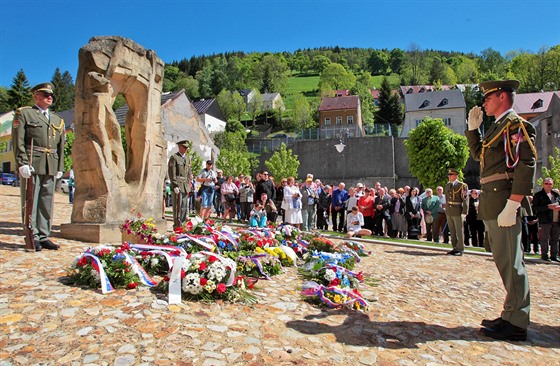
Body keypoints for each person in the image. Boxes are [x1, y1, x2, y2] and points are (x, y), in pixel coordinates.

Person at [465, 79, 537, 341]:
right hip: (493, 200)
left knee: (512, 263)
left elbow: (526, 166)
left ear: (503, 97)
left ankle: (517, 322)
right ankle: (510, 313)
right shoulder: (497, 127)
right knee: (504, 262)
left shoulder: (516, 126)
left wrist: (514, 203)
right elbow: (479, 156)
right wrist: (473, 131)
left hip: (505, 200)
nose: (484, 102)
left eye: (488, 97)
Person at [12, 82, 65, 251]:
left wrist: (60, 166)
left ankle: (43, 235)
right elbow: (18, 140)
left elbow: (61, 145)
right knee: (31, 201)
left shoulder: (58, 119)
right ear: (36, 96)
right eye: (45, 94)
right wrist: (22, 162)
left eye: (51, 96)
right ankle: (31, 235)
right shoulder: (25, 114)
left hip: (51, 163)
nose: (49, 97)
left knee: (46, 201)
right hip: (32, 163)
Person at [532, 178, 560, 262]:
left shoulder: (556, 194)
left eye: (550, 184)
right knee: (545, 238)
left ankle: (554, 256)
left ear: (552, 184)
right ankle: (544, 255)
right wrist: (547, 207)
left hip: (556, 220)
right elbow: (535, 207)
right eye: (546, 183)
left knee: (555, 239)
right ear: (543, 184)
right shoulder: (539, 195)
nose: (548, 185)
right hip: (546, 220)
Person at [168, 140, 192, 229]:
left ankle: (183, 224)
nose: (186, 149)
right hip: (178, 185)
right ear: (179, 147)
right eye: (184, 147)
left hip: (185, 185)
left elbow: (189, 171)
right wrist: (174, 185)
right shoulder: (174, 157)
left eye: (187, 148)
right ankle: (177, 225)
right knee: (177, 207)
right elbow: (171, 173)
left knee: (184, 206)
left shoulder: (188, 158)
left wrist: (190, 181)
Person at [444, 168, 468, 255]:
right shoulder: (447, 185)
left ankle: (460, 249)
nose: (449, 177)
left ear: (456, 176)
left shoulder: (462, 185)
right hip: (449, 210)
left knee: (459, 231)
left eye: (451, 175)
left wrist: (465, 211)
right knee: (452, 231)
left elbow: (465, 199)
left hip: (457, 210)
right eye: (449, 175)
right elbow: (447, 198)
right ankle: (454, 247)